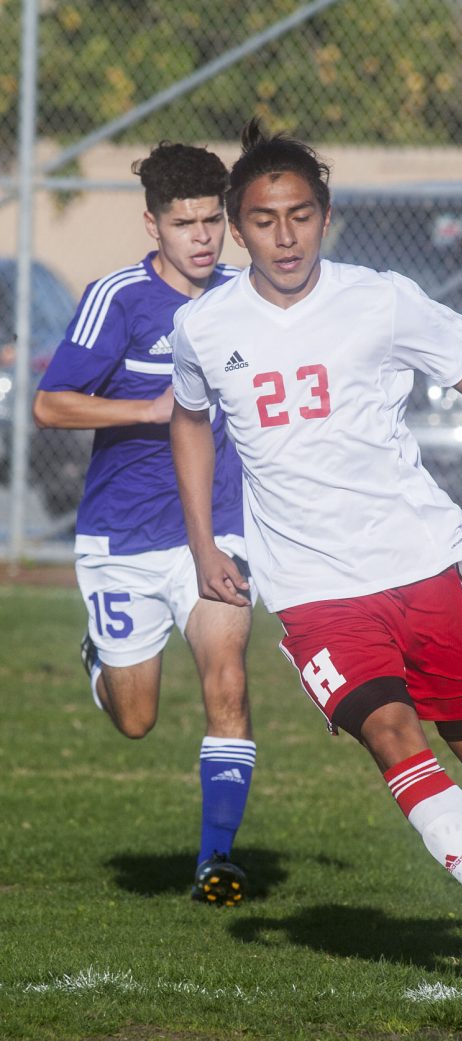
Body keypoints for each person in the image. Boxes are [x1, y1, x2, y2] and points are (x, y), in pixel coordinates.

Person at [169, 121, 462, 977]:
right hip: (312, 590)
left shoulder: (381, 298)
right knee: (393, 734)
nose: (283, 236)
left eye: (300, 215)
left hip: (416, 561)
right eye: (262, 219)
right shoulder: (205, 326)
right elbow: (189, 421)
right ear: (238, 228)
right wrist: (205, 541)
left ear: (326, 216)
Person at [32, 142, 256, 906]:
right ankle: (103, 652)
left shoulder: (246, 297)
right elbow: (49, 403)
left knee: (227, 674)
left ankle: (217, 860)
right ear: (152, 223)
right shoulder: (117, 298)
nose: (202, 236)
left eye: (213, 220)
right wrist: (147, 409)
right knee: (136, 718)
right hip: (122, 538)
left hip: (217, 530)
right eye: (184, 221)